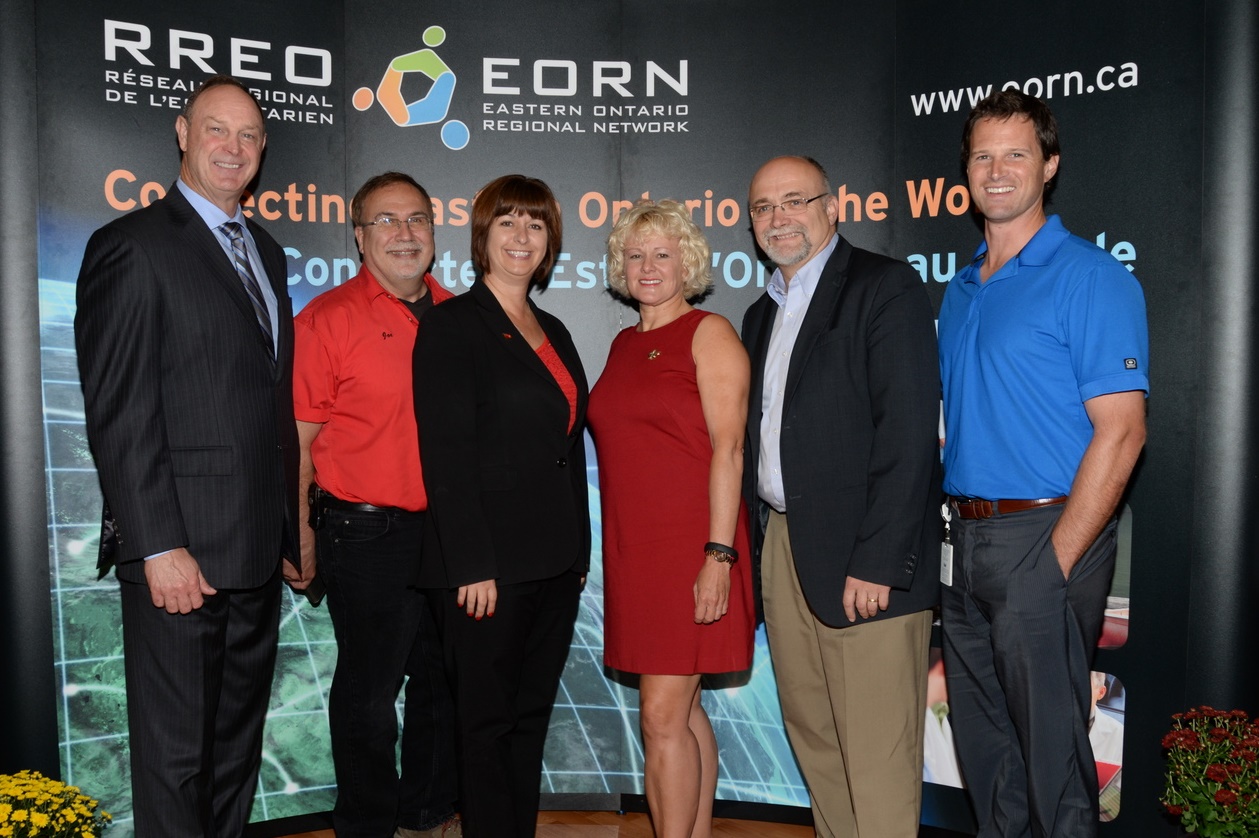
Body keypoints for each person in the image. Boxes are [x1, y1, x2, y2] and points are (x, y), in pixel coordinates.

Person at [75, 75, 299, 837]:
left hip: (256, 557)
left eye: (248, 135)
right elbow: (120, 413)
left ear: (263, 149)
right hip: (181, 558)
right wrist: (158, 543)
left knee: (235, 751)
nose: (232, 148)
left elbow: (271, 406)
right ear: (181, 132)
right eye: (216, 130)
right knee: (175, 762)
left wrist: (288, 536)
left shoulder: (266, 254)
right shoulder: (131, 248)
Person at [938, 90, 1148, 838]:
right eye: (982, 155)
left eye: (1015, 154)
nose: (996, 170)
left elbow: (1122, 433)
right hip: (962, 544)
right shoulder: (961, 288)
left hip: (1047, 533)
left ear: (1049, 165)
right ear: (965, 169)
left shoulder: (1089, 276)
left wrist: (1053, 563)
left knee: (1051, 762)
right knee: (986, 754)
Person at [741, 156, 941, 838]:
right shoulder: (758, 314)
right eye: (763, 207)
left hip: (867, 554)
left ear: (833, 207)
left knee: (875, 754)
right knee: (814, 738)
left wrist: (879, 559)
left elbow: (910, 434)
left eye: (795, 200)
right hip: (786, 547)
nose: (778, 218)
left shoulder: (884, 288)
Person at [412, 174, 588, 838]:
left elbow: (566, 448)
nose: (521, 236)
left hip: (553, 564)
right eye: (507, 221)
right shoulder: (452, 325)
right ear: (482, 234)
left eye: (535, 224)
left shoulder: (555, 329)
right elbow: (446, 455)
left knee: (527, 723)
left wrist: (580, 555)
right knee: (483, 731)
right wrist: (471, 565)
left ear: (550, 241)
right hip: (484, 572)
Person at [293, 172, 460, 838]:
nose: (404, 233)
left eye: (416, 218)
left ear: (433, 231)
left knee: (441, 684)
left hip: (447, 537)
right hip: (363, 537)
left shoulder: (459, 317)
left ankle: (425, 813)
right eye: (386, 221)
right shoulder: (327, 320)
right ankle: (365, 825)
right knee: (369, 695)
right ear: (359, 235)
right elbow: (297, 446)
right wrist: (299, 539)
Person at [589, 200, 754, 838]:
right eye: (635, 255)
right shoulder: (625, 342)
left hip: (695, 550)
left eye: (662, 253)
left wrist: (718, 556)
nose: (647, 266)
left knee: (660, 717)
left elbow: (729, 450)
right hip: (638, 556)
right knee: (681, 714)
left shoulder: (709, 333)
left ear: (688, 263)